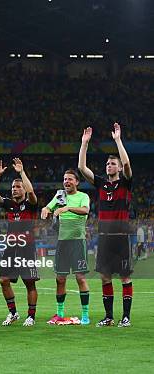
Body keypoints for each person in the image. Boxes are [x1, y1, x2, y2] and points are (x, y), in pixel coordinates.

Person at [79, 124, 134, 327]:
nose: (108, 166)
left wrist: (118, 140)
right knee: (105, 277)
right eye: (107, 164)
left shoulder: (125, 183)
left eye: (112, 163)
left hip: (121, 236)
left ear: (118, 168)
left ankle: (126, 317)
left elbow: (127, 165)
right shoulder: (102, 183)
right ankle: (109, 317)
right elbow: (82, 169)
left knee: (125, 278)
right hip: (104, 237)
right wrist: (84, 143)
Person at [0, 158, 39, 327]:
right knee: (3, 280)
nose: (15, 189)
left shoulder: (30, 204)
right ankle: (13, 313)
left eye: (18, 187)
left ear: (23, 188)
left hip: (27, 248)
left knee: (29, 283)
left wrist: (21, 172)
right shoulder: (9, 205)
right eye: (13, 187)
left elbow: (31, 193)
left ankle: (31, 315)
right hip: (11, 248)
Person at [41, 169, 91, 325]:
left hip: (78, 241)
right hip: (62, 242)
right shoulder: (60, 195)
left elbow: (85, 210)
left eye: (70, 179)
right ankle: (60, 313)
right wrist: (46, 209)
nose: (66, 182)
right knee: (60, 279)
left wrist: (67, 208)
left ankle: (85, 315)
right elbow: (49, 207)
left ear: (76, 182)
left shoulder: (83, 196)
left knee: (80, 278)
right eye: (64, 179)